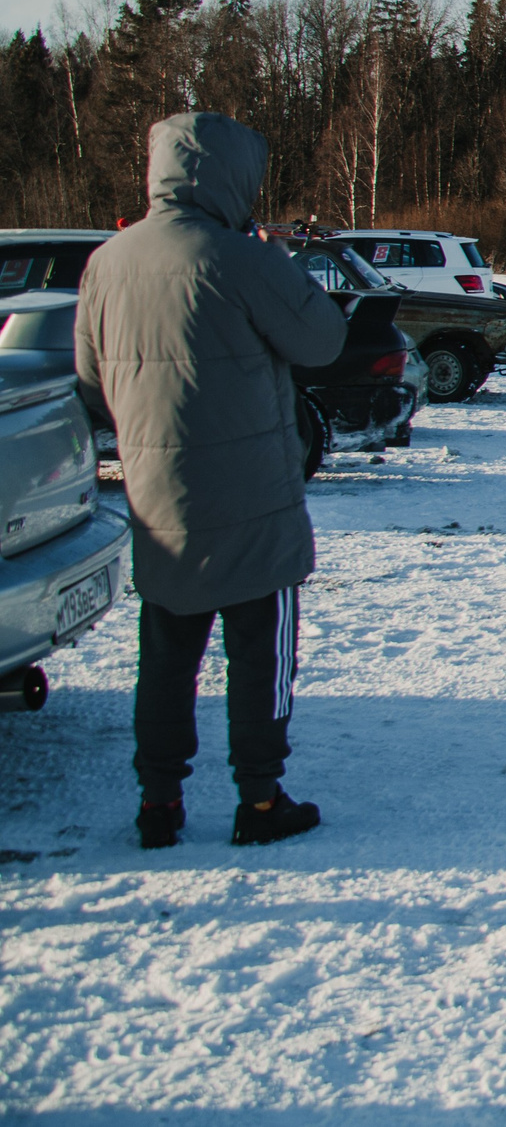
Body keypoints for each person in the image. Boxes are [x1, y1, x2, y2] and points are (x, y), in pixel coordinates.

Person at [77, 112, 349, 850]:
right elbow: (323, 339)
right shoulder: (239, 257)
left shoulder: (105, 262)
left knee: (166, 656)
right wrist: (278, 263)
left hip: (159, 495)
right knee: (261, 653)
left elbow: (91, 380)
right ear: (231, 176)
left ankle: (159, 800)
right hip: (255, 499)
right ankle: (259, 799)